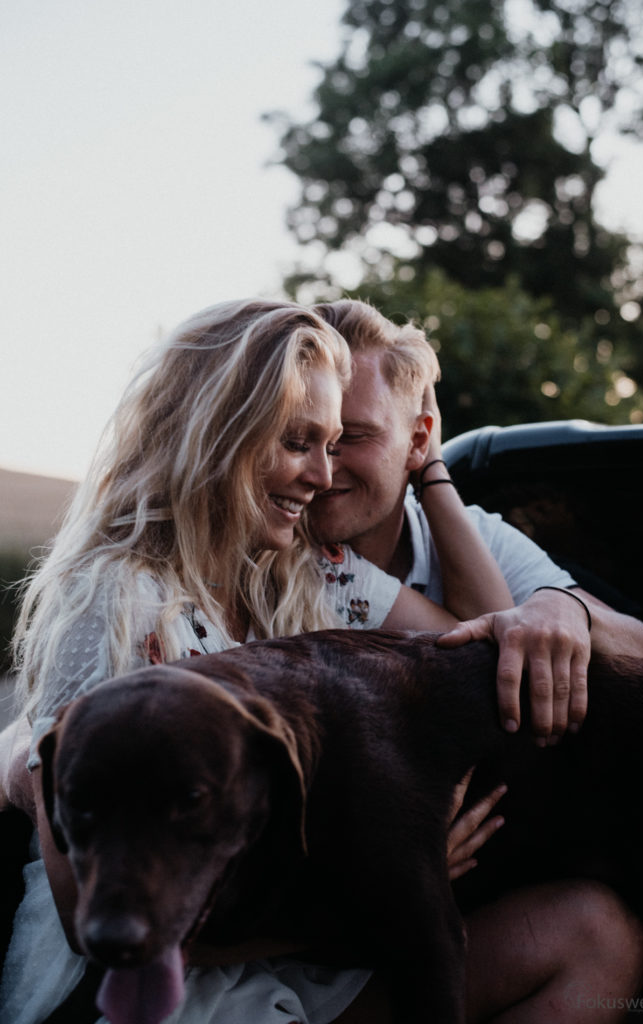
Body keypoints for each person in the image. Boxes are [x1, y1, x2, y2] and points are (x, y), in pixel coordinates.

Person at [0, 298, 513, 1024]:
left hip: (297, 955)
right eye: (299, 441)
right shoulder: (113, 598)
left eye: (333, 444)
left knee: (585, 931)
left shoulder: (311, 570)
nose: (322, 475)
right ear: (219, 432)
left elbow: (482, 640)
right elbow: (87, 902)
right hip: (143, 980)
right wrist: (378, 898)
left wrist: (434, 476)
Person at [311, 298, 643, 1022]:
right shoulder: (286, 553)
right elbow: (473, 645)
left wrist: (564, 610)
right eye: (302, 436)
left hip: (494, 864)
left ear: (416, 437)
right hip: (333, 909)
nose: (322, 467)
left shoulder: (473, 533)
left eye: (351, 437)